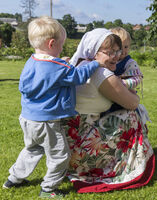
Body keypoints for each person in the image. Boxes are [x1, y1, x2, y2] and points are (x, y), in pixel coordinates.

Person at [2, 16, 102, 198]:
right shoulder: (57, 67)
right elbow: (78, 76)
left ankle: (14, 178)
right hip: (47, 122)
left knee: (32, 149)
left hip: (28, 119)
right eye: (61, 45)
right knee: (60, 156)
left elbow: (51, 71)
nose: (62, 48)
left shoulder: (32, 61)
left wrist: (61, 62)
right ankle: (48, 188)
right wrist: (96, 63)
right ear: (51, 43)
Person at [66, 28, 155, 193]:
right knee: (131, 116)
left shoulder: (79, 66)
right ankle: (118, 167)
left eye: (118, 51)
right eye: (110, 52)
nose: (117, 56)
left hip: (69, 148)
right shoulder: (102, 73)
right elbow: (133, 103)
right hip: (81, 153)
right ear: (94, 51)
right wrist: (130, 93)